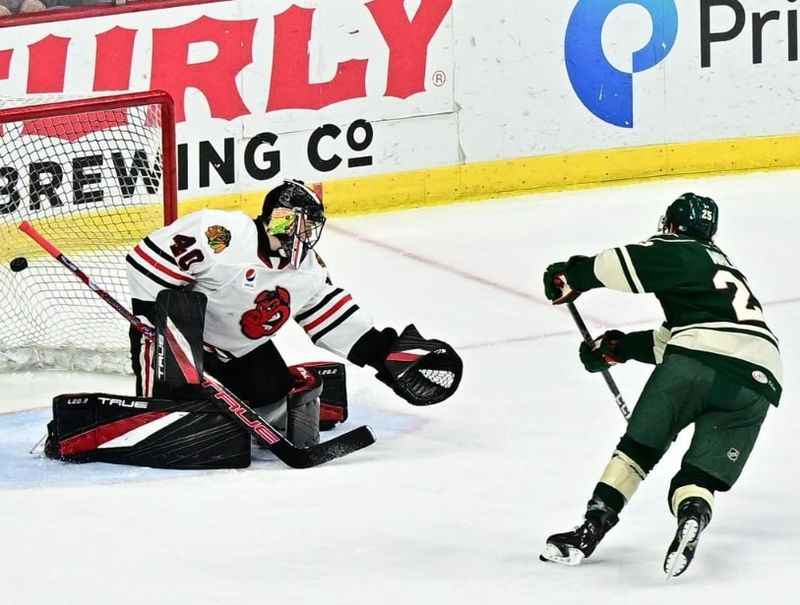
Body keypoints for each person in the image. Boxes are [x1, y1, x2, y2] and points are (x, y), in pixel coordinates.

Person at [540, 193, 781, 577]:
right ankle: (693, 515)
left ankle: (591, 528)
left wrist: (574, 275)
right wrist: (620, 348)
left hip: (697, 361)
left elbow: (623, 263)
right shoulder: (727, 269)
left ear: (671, 223)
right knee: (699, 479)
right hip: (759, 378)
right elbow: (684, 334)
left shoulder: (678, 248)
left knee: (637, 450)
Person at [125, 179, 462, 437]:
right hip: (177, 339)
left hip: (237, 352)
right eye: (296, 223)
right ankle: (161, 402)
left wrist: (381, 354)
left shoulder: (307, 272)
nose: (303, 233)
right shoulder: (224, 235)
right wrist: (158, 327)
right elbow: (146, 265)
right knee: (179, 392)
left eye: (310, 227)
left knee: (272, 393)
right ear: (276, 219)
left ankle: (227, 391)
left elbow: (329, 316)